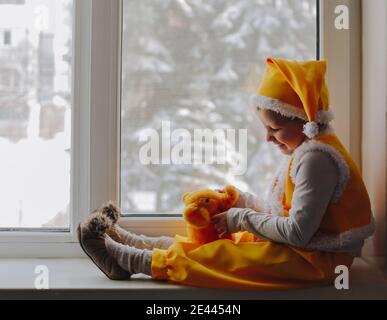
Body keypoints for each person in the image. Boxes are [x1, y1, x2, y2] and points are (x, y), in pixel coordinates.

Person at [78, 57, 375, 289]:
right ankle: (133, 244)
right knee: (219, 246)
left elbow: (298, 232)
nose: (268, 138)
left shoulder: (316, 161)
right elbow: (283, 213)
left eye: (275, 129)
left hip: (317, 261)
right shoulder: (307, 149)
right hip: (304, 251)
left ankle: (127, 261)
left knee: (223, 260)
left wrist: (240, 217)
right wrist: (242, 201)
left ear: (304, 121)